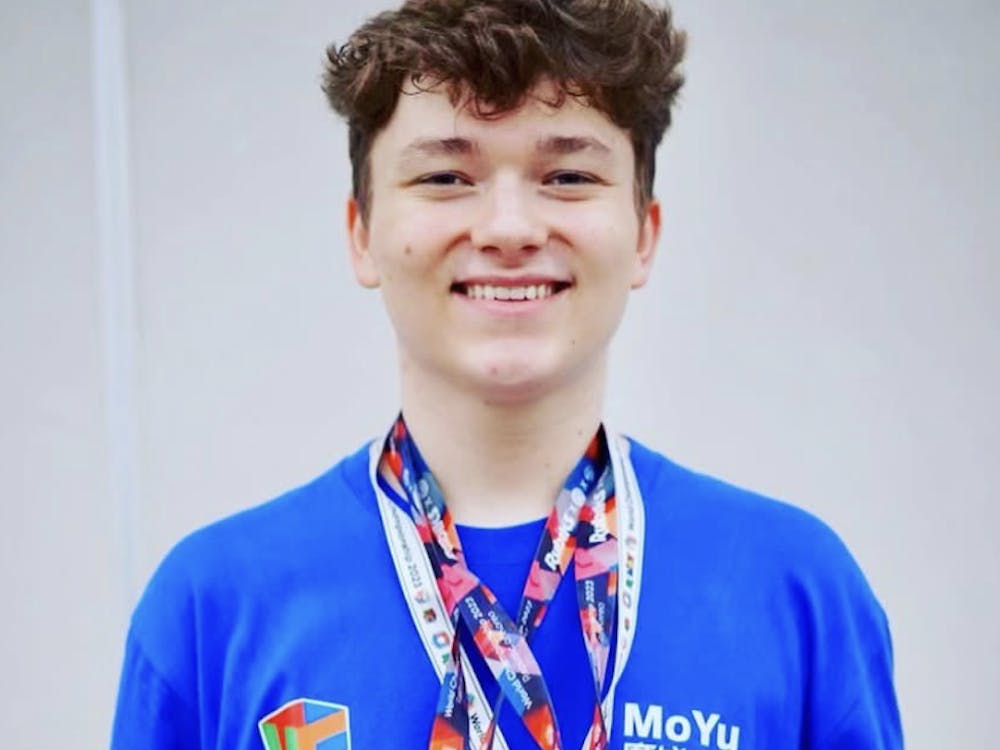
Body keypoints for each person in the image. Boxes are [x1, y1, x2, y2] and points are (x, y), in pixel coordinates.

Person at [111, 1, 903, 748]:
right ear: (362, 232)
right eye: (447, 178)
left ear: (643, 235)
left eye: (568, 177)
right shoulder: (216, 606)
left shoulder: (796, 590)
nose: (510, 228)